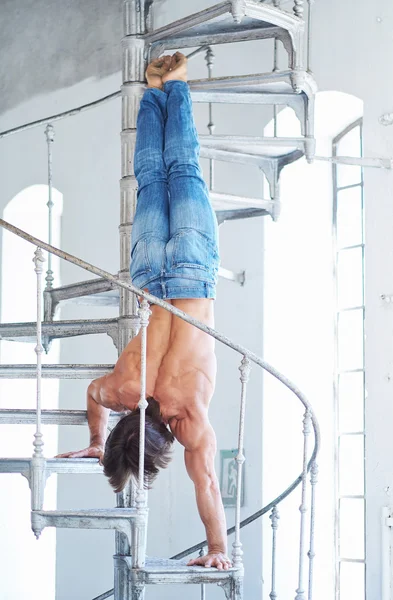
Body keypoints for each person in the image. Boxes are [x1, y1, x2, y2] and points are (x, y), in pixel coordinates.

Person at [57, 53, 231, 571]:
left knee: (184, 168)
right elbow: (94, 394)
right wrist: (93, 439)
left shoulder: (190, 417)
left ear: (166, 435)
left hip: (193, 274)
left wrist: (219, 549)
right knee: (154, 179)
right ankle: (156, 91)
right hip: (152, 275)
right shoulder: (125, 388)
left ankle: (174, 88)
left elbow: (209, 484)